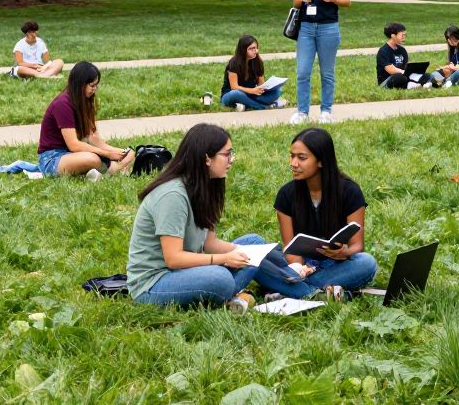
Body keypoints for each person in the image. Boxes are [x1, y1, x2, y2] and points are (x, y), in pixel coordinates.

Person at [127, 124, 294, 311]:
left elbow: (209, 244)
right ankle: (239, 289)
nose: (231, 160)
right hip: (154, 283)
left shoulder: (204, 187)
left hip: (185, 270)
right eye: (227, 154)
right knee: (220, 279)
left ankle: (295, 279)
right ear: (207, 158)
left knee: (254, 243)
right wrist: (224, 259)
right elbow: (173, 258)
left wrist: (247, 253)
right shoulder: (172, 195)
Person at [265, 129, 378, 297]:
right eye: (292, 156)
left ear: (321, 161)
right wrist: (300, 268)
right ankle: (316, 290)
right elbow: (290, 248)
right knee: (259, 252)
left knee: (367, 263)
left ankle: (295, 288)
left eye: (302, 158)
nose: (293, 163)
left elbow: (357, 245)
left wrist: (344, 252)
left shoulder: (350, 191)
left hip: (336, 264)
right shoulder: (286, 195)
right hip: (302, 265)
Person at [290, 0, 350, 125]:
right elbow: (295, 1)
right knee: (303, 72)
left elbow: (347, 1)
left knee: (327, 74)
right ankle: (302, 112)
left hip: (328, 28)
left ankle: (326, 112)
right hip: (306, 28)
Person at [37, 61, 134, 178]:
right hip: (52, 158)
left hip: (72, 154)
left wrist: (119, 152)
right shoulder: (62, 104)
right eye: (92, 85)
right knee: (92, 159)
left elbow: (94, 139)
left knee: (130, 153)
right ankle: (113, 170)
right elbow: (74, 145)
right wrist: (107, 154)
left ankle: (106, 170)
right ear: (80, 84)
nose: (95, 89)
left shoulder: (86, 101)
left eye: (96, 85)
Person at [220, 34, 287, 111]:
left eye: (255, 48)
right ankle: (265, 106)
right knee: (237, 94)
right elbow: (234, 87)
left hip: (251, 94)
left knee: (277, 91)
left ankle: (245, 105)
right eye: (251, 49)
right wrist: (252, 90)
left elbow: (261, 84)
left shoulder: (258, 62)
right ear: (243, 50)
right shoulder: (234, 62)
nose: (254, 51)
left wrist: (268, 88)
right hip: (232, 94)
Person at [376, 22, 432, 89]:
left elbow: (406, 66)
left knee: (427, 75)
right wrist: (403, 72)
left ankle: (417, 84)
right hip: (388, 79)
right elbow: (390, 69)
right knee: (399, 77)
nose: (404, 37)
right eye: (402, 35)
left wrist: (413, 71)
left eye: (405, 35)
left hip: (404, 76)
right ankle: (413, 84)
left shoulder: (402, 50)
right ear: (393, 36)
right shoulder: (383, 51)